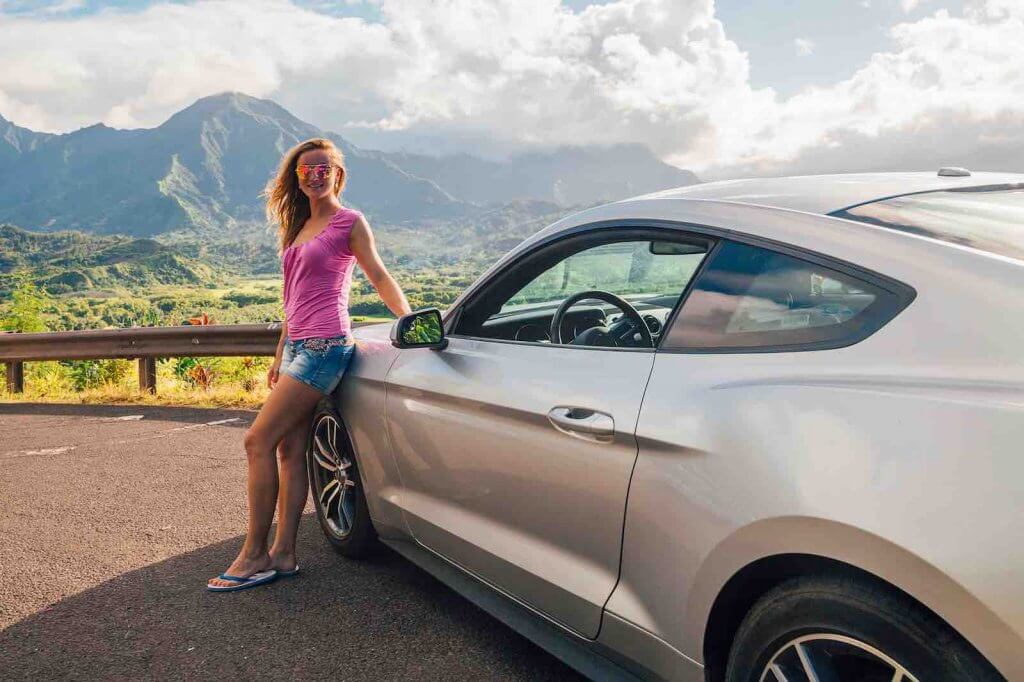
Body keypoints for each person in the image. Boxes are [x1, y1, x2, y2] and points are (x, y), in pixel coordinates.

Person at [208, 138, 411, 591]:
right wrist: (282, 350)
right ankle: (283, 554)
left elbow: (378, 275)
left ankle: (254, 553)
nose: (315, 175)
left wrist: (410, 322)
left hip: (326, 347)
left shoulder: (349, 223)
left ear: (338, 174)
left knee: (256, 441)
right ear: (296, 179)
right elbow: (292, 298)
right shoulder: (297, 226)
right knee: (286, 450)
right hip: (300, 345)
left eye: (324, 168)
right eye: (306, 170)